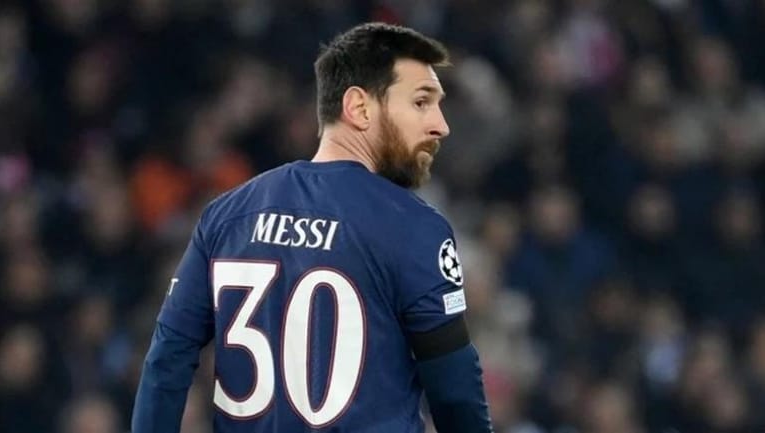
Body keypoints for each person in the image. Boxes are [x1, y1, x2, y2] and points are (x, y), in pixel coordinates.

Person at [131, 22, 493, 433]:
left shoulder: (227, 215)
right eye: (421, 102)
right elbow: (454, 391)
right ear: (358, 107)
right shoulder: (415, 227)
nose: (440, 125)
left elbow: (167, 358)